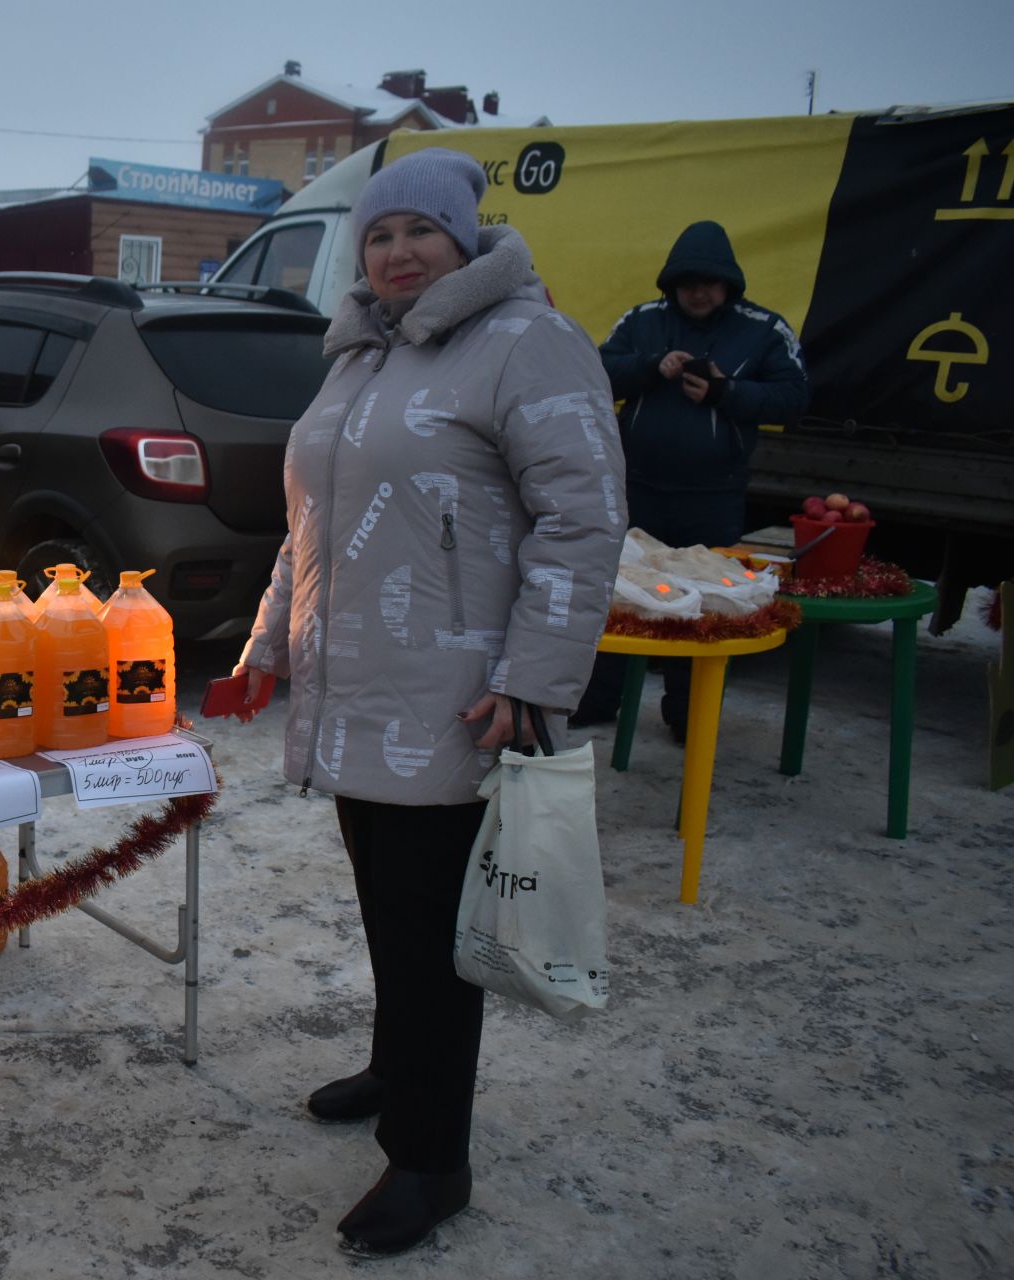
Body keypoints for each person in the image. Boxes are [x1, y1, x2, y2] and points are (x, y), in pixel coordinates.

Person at [232, 148, 625, 1256]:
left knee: (435, 931)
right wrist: (271, 643)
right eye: (379, 237)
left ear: (463, 239)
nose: (398, 254)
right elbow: (307, 523)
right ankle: (398, 1068)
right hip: (354, 685)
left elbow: (583, 517)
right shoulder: (359, 355)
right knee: (390, 908)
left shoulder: (527, 341)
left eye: (420, 233)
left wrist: (533, 677)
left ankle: (431, 1156)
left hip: (455, 694)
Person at [573, 220, 809, 738]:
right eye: (687, 282)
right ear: (671, 284)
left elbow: (795, 398)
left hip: (712, 494)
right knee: (615, 594)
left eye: (708, 282)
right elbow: (595, 370)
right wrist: (651, 365)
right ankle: (596, 697)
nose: (697, 292)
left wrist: (728, 393)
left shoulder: (763, 329)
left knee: (704, 605)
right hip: (637, 486)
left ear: (728, 284)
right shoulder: (642, 320)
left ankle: (686, 712)